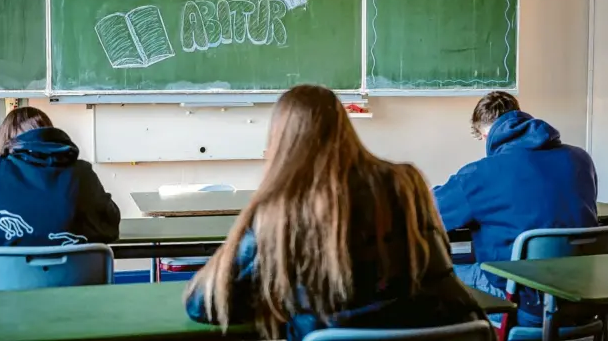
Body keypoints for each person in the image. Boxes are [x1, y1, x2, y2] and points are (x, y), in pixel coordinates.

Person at [183, 85, 493, 341]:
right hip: (453, 329)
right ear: (345, 129)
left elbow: (203, 304)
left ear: (279, 143)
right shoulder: (406, 182)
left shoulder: (280, 209)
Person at [434, 91, 598, 326]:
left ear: (486, 134)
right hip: (585, 301)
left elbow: (425, 211)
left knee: (438, 275)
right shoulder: (580, 159)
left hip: (522, 306)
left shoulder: (480, 174)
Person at [0, 106, 120, 247]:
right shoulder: (81, 173)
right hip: (77, 286)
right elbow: (110, 223)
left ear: (5, 139)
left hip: (8, 288)